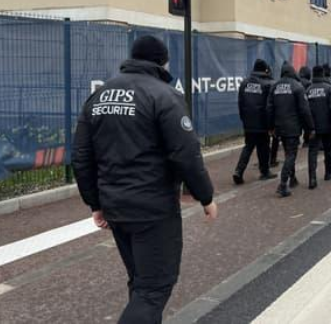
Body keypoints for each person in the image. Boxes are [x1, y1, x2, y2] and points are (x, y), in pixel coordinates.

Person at [72, 35, 217, 324]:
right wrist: (206, 196)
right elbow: (185, 153)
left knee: (140, 282)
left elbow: (81, 156)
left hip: (115, 206)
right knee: (154, 287)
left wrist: (95, 204)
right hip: (153, 209)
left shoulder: (100, 95)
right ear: (162, 62)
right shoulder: (164, 95)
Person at [267, 62, 315, 197]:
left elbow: (269, 108)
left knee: (288, 153)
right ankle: (283, 184)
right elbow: (305, 110)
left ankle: (292, 179)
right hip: (293, 126)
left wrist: (270, 126)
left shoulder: (274, 87)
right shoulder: (297, 87)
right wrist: (310, 128)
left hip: (279, 127)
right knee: (291, 154)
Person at [233, 59, 277, 184]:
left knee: (248, 146)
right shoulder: (268, 84)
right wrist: (271, 125)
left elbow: (240, 104)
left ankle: (238, 171)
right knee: (263, 147)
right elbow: (269, 107)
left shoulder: (244, 83)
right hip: (262, 122)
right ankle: (264, 172)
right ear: (265, 70)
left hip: (248, 121)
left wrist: (244, 119)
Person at [306, 65, 331, 188]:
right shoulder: (329, 89)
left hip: (312, 127)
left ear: (312, 75)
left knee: (312, 152)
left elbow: (305, 110)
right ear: (322, 74)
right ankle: (328, 173)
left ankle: (312, 179)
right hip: (327, 126)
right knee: (328, 150)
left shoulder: (308, 90)